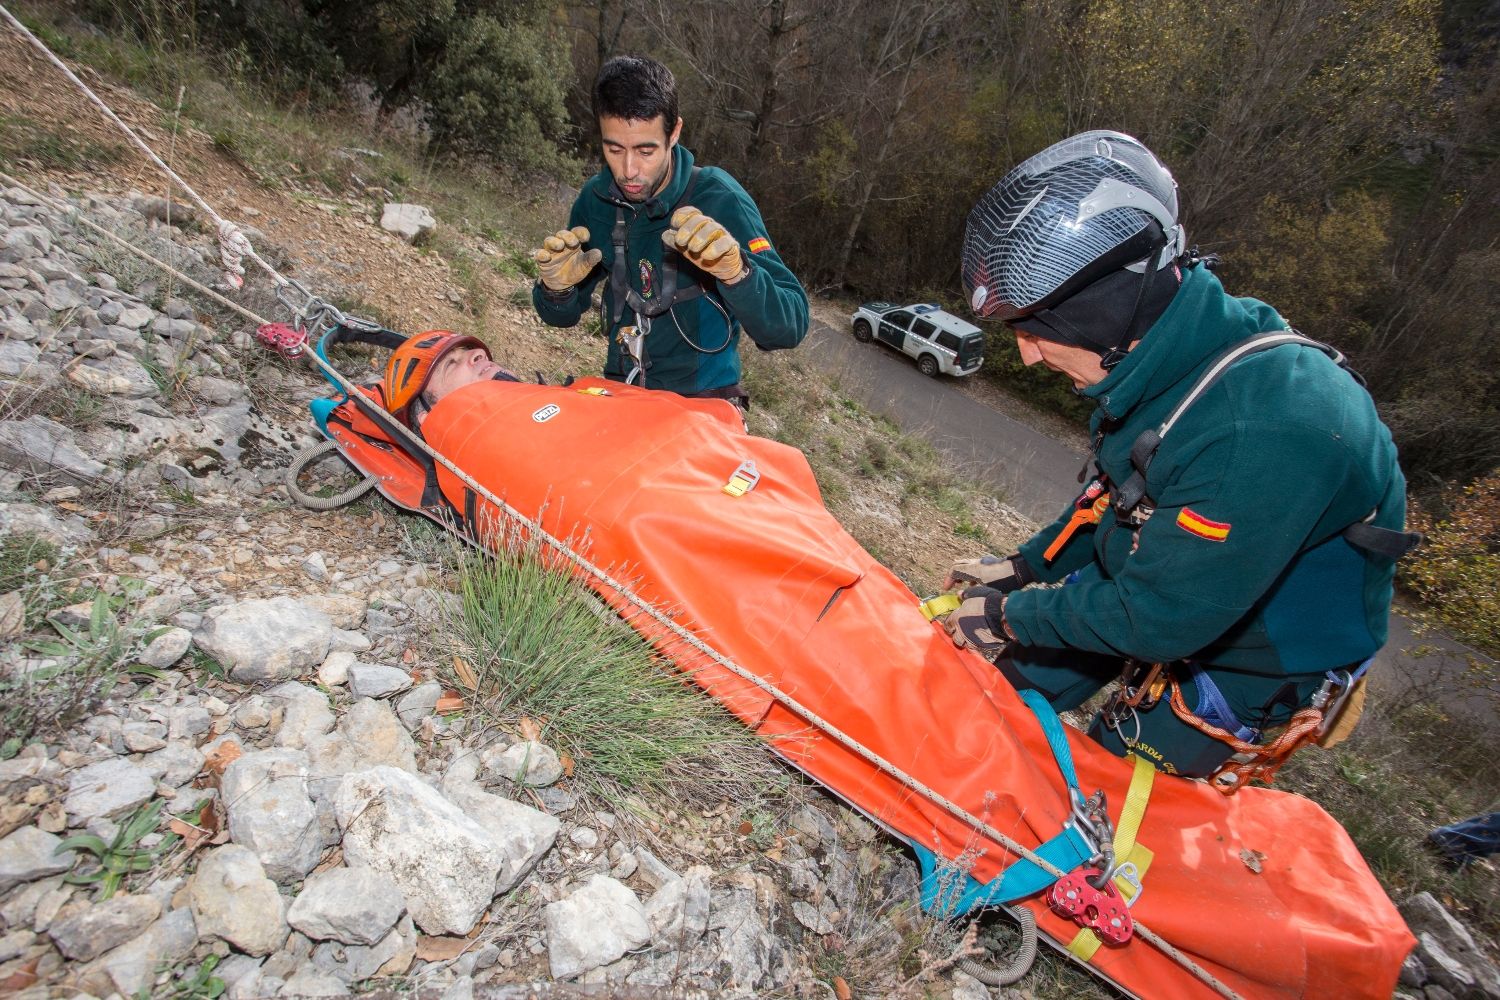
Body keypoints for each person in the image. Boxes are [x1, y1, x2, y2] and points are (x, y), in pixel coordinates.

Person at [942, 130, 1417, 781]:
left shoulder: (1260, 432)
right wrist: (1022, 570)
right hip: (1164, 575)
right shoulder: (1173, 353)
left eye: (1036, 331)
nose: (1026, 354)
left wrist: (1012, 614)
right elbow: (1117, 494)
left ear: (1104, 316)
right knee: (1006, 686)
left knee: (1108, 790)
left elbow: (1160, 618)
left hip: (1255, 653)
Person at [529, 55, 808, 404]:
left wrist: (738, 274)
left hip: (702, 401)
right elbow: (561, 317)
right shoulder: (596, 200)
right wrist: (556, 291)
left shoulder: (719, 198)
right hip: (621, 394)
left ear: (674, 132)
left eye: (646, 150)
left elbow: (789, 326)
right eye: (614, 149)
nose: (629, 170)